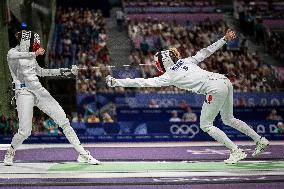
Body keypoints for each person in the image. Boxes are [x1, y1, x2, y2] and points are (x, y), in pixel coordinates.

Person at [106, 29, 269, 164]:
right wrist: (224, 39)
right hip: (224, 81)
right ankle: (260, 140)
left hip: (214, 89)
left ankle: (236, 151)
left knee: (206, 125)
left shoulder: (169, 76)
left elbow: (142, 82)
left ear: (162, 64)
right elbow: (206, 52)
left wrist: (117, 81)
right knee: (228, 119)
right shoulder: (186, 61)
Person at [4, 30, 100, 166]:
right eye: (34, 43)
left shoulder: (31, 57)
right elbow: (16, 56)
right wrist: (34, 53)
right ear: (27, 42)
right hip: (23, 93)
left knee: (64, 121)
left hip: (39, 91)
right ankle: (10, 152)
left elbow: (42, 72)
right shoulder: (12, 53)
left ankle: (83, 154)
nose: (36, 46)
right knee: (25, 131)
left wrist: (66, 71)